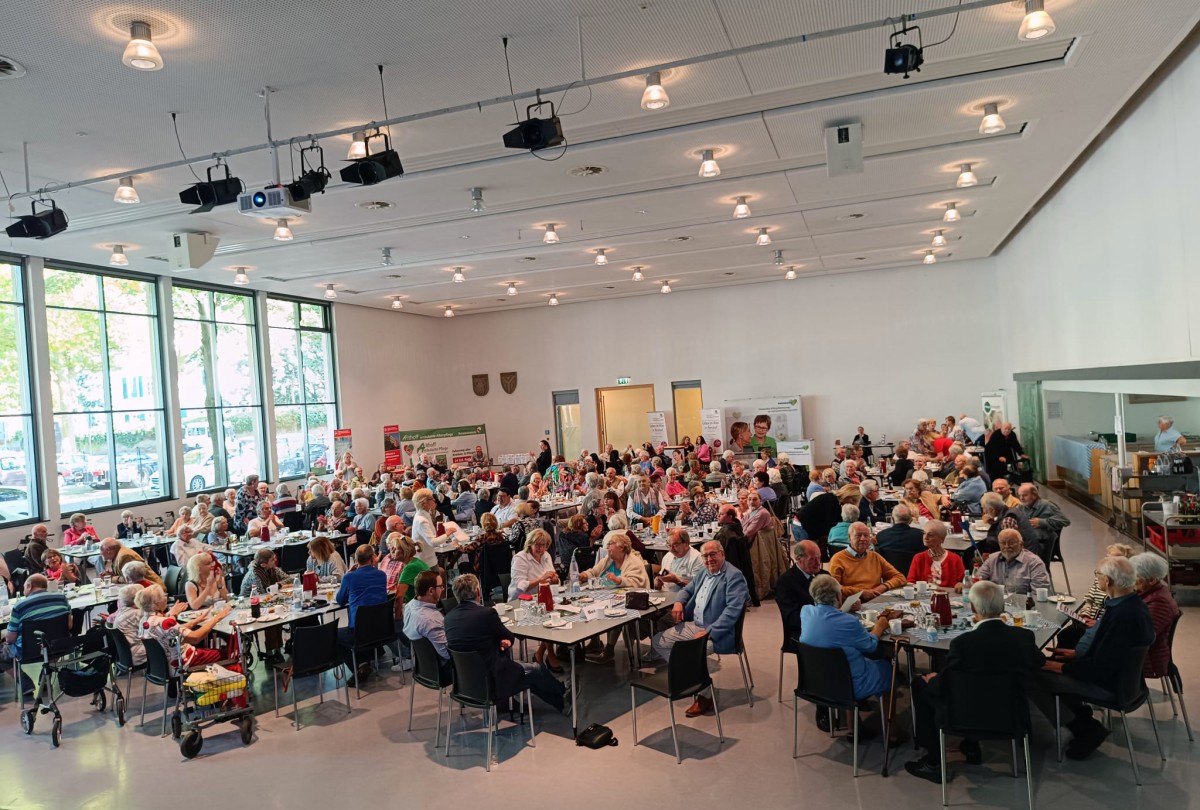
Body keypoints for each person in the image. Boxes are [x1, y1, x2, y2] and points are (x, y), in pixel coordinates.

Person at [903, 581, 1046, 783]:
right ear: (1002, 607)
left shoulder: (963, 643)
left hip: (964, 716)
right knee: (979, 689)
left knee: (920, 685)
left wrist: (932, 679)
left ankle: (934, 761)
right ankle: (970, 746)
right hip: (1011, 715)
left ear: (972, 608)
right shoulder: (1023, 637)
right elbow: (1038, 661)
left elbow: (946, 683)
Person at [1034, 556, 1155, 759]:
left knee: (1035, 676)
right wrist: (1073, 654)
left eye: (1098, 575)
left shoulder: (1121, 616)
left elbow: (1101, 667)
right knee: (1054, 661)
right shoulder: (1130, 605)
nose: (1097, 579)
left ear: (1108, 581)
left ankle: (1085, 729)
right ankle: (1079, 715)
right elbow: (1109, 652)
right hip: (1124, 680)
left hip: (1111, 686)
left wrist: (1061, 668)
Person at [445, 573, 569, 714]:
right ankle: (562, 695)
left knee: (529, 674)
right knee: (536, 669)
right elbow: (509, 636)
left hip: (465, 681)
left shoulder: (448, 618)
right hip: (493, 677)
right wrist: (503, 642)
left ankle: (559, 700)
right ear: (478, 592)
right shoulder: (486, 613)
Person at [652, 541, 750, 715]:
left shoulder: (734, 576)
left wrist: (709, 632)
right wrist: (678, 604)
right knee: (658, 642)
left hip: (718, 633)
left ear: (722, 554)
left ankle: (704, 694)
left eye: (713, 554)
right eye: (706, 556)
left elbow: (732, 612)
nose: (709, 559)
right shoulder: (704, 572)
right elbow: (686, 590)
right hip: (695, 624)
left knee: (686, 652)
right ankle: (693, 680)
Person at [799, 574, 898, 721]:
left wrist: (842, 610)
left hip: (815, 682)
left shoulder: (805, 612)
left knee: (851, 657)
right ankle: (892, 733)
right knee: (887, 668)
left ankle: (853, 727)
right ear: (839, 596)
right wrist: (880, 626)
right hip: (849, 685)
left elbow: (828, 619)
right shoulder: (849, 622)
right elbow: (870, 646)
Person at [579, 532, 650, 663]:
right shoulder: (608, 559)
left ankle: (609, 649)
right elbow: (594, 571)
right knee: (586, 605)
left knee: (614, 610)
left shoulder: (633, 561)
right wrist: (584, 575)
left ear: (621, 547)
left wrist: (619, 580)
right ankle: (595, 641)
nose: (607, 547)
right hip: (604, 595)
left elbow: (637, 583)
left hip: (628, 601)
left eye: (611, 544)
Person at [136, 584, 230, 671]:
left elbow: (171, 632)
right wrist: (217, 618)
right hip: (184, 663)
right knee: (228, 653)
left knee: (211, 650)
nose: (166, 599)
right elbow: (195, 638)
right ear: (156, 604)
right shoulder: (164, 621)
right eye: (164, 597)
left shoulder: (144, 621)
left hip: (162, 667)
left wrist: (196, 621)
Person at [335, 544, 389, 685]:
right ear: (373, 558)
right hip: (383, 628)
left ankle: (359, 667)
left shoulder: (350, 577)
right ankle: (364, 662)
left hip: (360, 630)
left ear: (356, 560)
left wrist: (349, 574)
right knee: (363, 626)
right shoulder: (382, 575)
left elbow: (340, 601)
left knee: (335, 635)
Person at [0, 575, 72, 675]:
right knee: (54, 640)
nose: (23, 591)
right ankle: (46, 675)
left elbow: (10, 639)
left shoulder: (20, 606)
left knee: (2, 653)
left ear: (29, 586)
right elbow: (69, 626)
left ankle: (26, 686)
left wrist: (6, 639)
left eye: (24, 588)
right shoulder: (61, 598)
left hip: (28, 652)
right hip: (59, 646)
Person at [1130, 553, 1181, 680]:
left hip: (1147, 658)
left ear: (1152, 580)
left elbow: (1142, 635)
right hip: (1140, 651)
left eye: (1135, 576)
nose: (1130, 580)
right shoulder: (1149, 592)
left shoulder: (1159, 602)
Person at [828, 523, 906, 602]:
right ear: (849, 537)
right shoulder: (838, 559)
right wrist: (861, 593)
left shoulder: (875, 556)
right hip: (852, 604)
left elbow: (900, 577)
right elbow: (833, 589)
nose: (863, 539)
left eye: (866, 535)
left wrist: (883, 587)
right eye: (858, 535)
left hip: (875, 601)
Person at [402, 570, 453, 682]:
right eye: (440, 586)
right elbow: (448, 654)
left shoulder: (409, 606)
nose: (443, 589)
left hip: (422, 667)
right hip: (441, 670)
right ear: (431, 590)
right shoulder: (430, 620)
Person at [774, 540, 823, 643]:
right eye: (812, 559)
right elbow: (792, 618)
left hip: (825, 624)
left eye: (819, 558)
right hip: (803, 632)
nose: (818, 563)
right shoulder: (785, 582)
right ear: (798, 559)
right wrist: (821, 619)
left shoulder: (823, 575)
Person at [975, 528, 1050, 594]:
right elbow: (977, 582)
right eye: (1003, 543)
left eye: (1011, 542)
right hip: (995, 604)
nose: (1007, 546)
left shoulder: (1034, 563)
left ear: (1021, 544)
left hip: (1023, 607)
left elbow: (1039, 593)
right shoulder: (992, 559)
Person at [906, 520, 965, 589]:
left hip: (949, 598)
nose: (925, 537)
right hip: (924, 598)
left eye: (930, 535)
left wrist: (961, 585)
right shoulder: (918, 558)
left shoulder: (955, 559)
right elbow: (910, 583)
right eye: (924, 533)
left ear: (942, 539)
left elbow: (963, 582)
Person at [1018, 483, 1071, 555]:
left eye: (1025, 495)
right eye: (1020, 495)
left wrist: (1041, 522)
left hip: (1043, 543)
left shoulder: (1046, 505)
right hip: (1026, 541)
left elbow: (1065, 521)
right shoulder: (1021, 507)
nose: (1021, 498)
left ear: (1034, 495)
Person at [106, 584, 147, 666]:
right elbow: (156, 623)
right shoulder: (137, 613)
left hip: (125, 655)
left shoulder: (121, 611)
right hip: (137, 654)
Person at [655, 528, 704, 594]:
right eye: (669, 545)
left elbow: (698, 587)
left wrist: (676, 580)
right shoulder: (667, 556)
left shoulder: (697, 559)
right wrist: (658, 583)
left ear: (686, 544)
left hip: (684, 598)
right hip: (664, 596)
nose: (671, 550)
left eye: (675, 545)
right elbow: (661, 582)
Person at [97, 539, 164, 587]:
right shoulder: (118, 554)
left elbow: (131, 578)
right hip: (144, 588)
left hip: (153, 589)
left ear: (108, 550)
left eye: (101, 550)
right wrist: (111, 574)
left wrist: (111, 578)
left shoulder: (124, 556)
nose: (100, 553)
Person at [409, 488, 442, 566]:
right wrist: (447, 534)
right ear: (424, 502)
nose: (434, 500)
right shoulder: (422, 520)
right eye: (431, 498)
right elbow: (433, 542)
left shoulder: (424, 515)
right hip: (426, 562)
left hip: (428, 558)